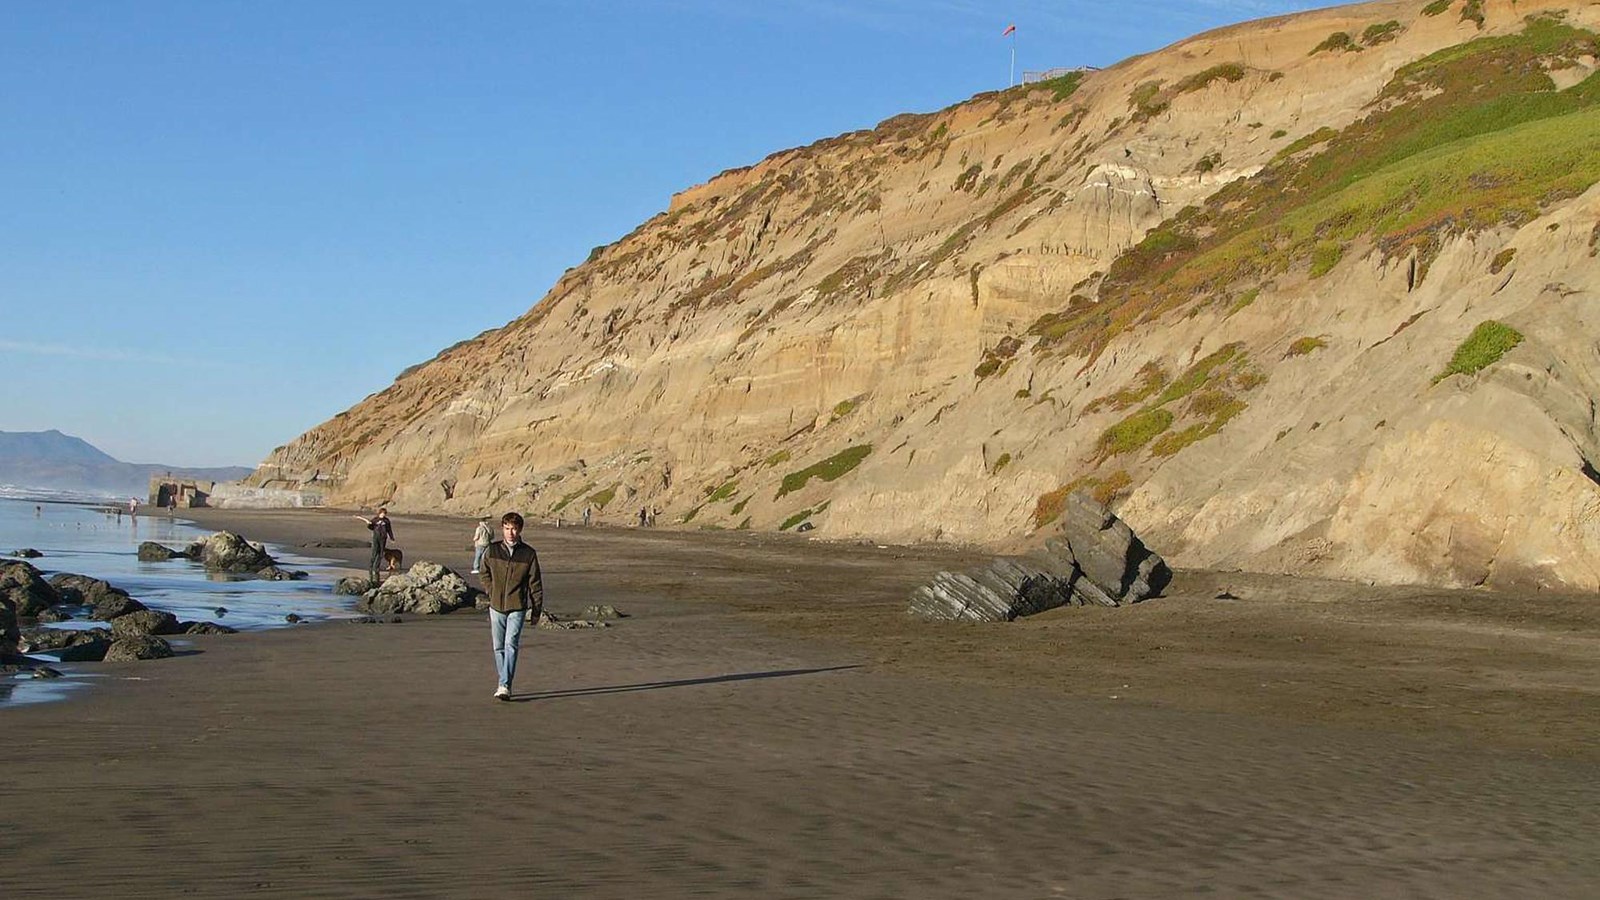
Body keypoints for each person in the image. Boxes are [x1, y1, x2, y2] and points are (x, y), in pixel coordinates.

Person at [480, 512, 543, 701]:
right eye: (507, 528)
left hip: (518, 605)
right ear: (502, 529)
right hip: (496, 605)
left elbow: (535, 583)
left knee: (511, 644)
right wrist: (491, 591)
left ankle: (505, 684)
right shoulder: (492, 550)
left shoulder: (529, 554)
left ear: (520, 530)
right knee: (498, 646)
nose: (511, 533)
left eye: (514, 529)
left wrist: (536, 609)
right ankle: (503, 682)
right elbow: (484, 572)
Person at [354, 508, 395, 582]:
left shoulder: (387, 521)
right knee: (374, 552)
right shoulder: (375, 519)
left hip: (383, 538)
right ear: (379, 513)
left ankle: (376, 567)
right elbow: (371, 527)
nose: (383, 515)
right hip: (376, 538)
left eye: (384, 514)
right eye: (382, 513)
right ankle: (371, 566)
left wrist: (392, 538)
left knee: (381, 553)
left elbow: (389, 529)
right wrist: (369, 525)